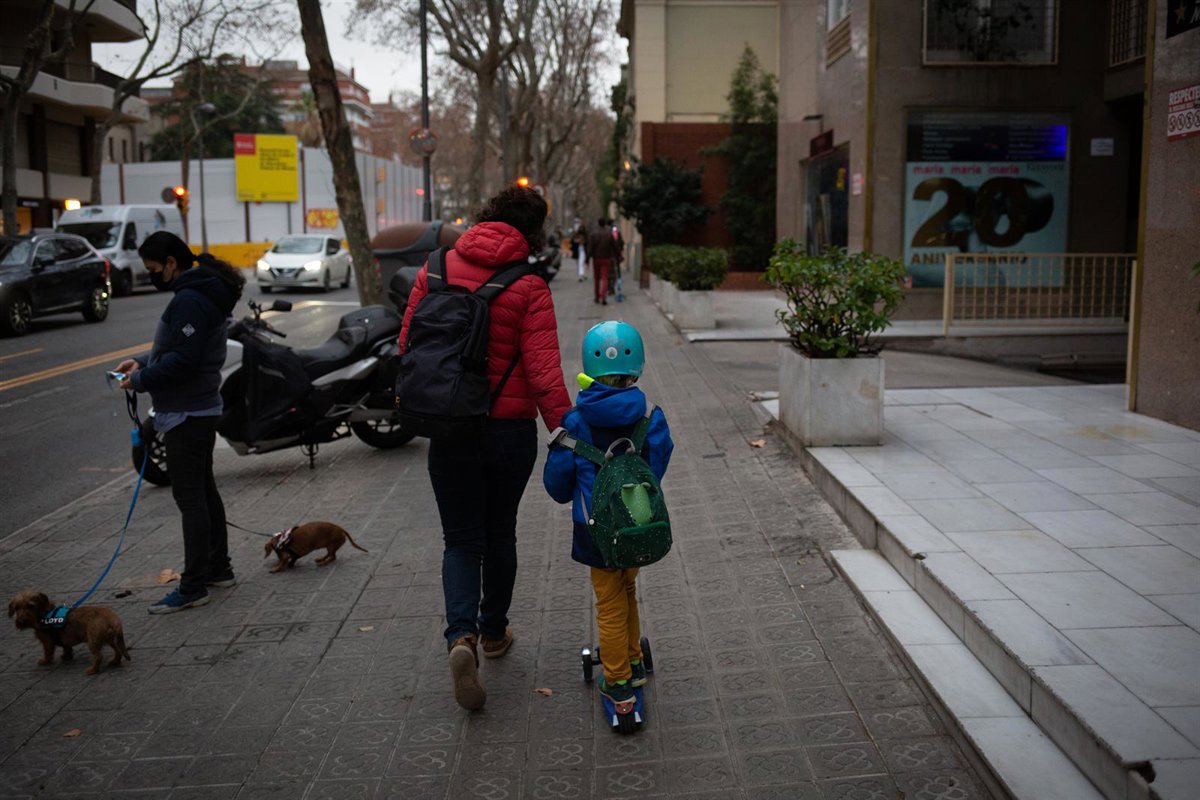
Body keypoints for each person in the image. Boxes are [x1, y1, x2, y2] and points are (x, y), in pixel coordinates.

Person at [399, 186, 571, 711]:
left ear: (487, 215)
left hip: (449, 427)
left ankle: (461, 637)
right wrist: (567, 434)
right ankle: (493, 631)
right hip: (507, 433)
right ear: (533, 232)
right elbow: (544, 374)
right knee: (499, 533)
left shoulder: (436, 267)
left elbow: (408, 345)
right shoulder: (529, 285)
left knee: (459, 540)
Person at [543, 321, 673, 711]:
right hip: (638, 523)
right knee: (627, 589)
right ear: (637, 367)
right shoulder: (650, 415)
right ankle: (632, 660)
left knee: (609, 602)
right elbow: (657, 465)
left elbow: (557, 484)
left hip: (595, 531)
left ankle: (617, 683)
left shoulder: (575, 422)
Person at [114, 231, 245, 614]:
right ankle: (218, 569)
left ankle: (193, 586)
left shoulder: (190, 298)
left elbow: (185, 360)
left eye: (154, 268)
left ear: (172, 263)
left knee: (191, 499)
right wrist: (143, 362)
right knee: (204, 492)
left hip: (187, 412)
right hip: (198, 408)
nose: (152, 275)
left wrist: (140, 380)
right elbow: (183, 348)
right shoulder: (201, 292)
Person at [588, 218, 620, 304]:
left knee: (597, 278)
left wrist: (587, 259)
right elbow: (615, 246)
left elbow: (590, 248)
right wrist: (618, 256)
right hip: (606, 258)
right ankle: (604, 297)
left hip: (596, 259)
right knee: (605, 278)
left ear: (598, 223)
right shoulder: (609, 234)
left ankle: (597, 297)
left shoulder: (593, 234)